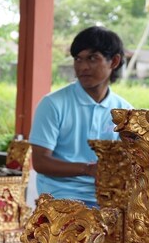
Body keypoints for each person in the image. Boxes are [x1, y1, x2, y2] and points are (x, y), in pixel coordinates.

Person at [29, 26, 132, 205]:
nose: (83, 67)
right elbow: (40, 162)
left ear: (114, 62)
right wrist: (88, 169)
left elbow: (131, 159)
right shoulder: (53, 104)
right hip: (60, 197)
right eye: (78, 59)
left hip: (109, 197)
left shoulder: (124, 111)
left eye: (92, 58)